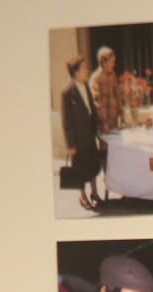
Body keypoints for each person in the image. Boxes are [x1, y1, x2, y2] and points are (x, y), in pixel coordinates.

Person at [61, 55, 105, 213]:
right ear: (76, 72)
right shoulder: (67, 92)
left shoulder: (86, 85)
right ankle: (83, 196)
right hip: (78, 139)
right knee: (79, 168)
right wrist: (70, 144)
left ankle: (94, 193)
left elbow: (91, 108)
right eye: (83, 68)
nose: (86, 70)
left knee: (92, 164)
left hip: (89, 134)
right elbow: (66, 121)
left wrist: (97, 126)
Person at [90, 46, 122, 135]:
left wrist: (121, 115)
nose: (114, 64)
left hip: (115, 122)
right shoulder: (95, 78)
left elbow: (118, 96)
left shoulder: (113, 75)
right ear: (104, 62)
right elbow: (97, 102)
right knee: (104, 148)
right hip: (104, 124)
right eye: (112, 62)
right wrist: (103, 122)